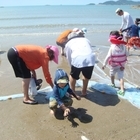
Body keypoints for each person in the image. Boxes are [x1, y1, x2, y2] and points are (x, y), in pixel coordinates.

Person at [102, 30, 129, 95]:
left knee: (112, 74)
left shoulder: (112, 47)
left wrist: (104, 64)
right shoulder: (124, 46)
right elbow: (127, 54)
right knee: (121, 77)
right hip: (122, 64)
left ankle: (113, 84)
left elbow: (108, 56)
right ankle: (122, 90)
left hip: (114, 64)